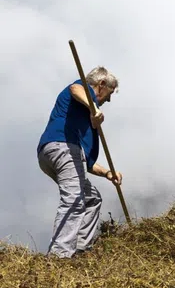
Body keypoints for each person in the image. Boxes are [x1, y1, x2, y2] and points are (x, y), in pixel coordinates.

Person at [37, 66, 123, 258]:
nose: (108, 100)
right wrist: (94, 107)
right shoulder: (82, 90)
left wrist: (108, 173)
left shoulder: (83, 120)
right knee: (75, 199)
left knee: (91, 198)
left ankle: (79, 249)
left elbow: (87, 164)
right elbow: (75, 89)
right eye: (108, 94)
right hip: (63, 146)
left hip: (54, 153)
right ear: (101, 84)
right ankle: (60, 256)